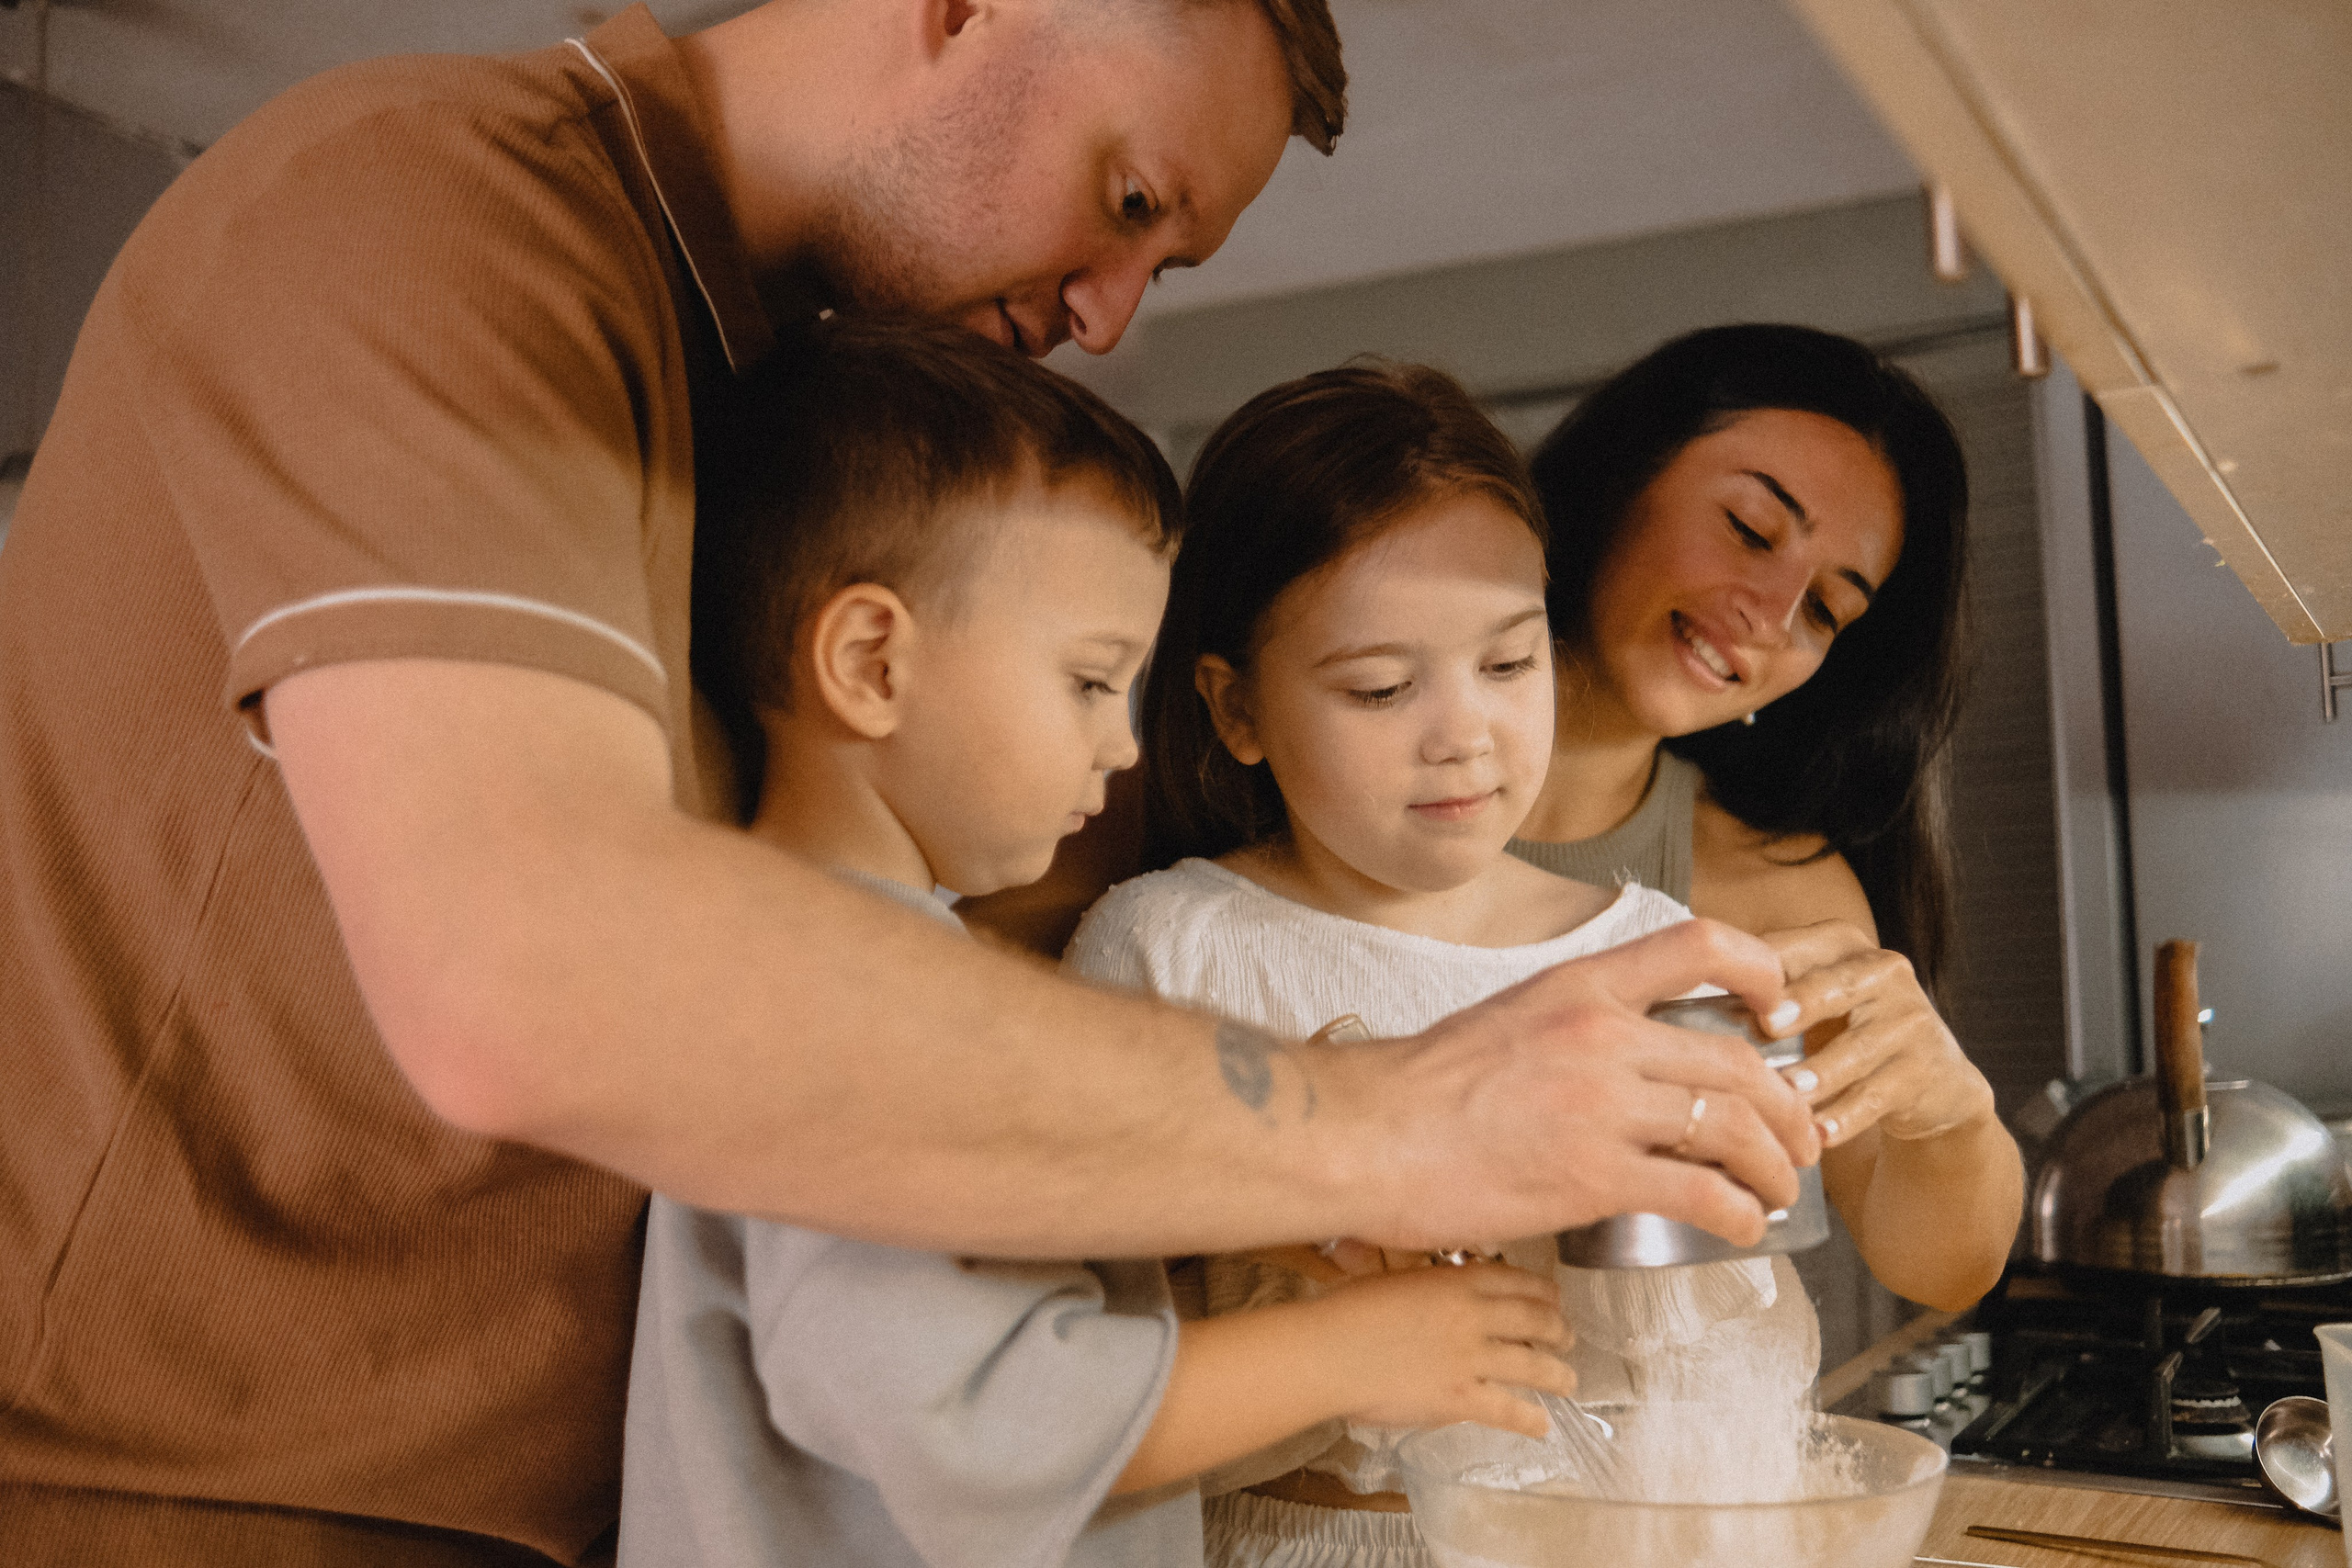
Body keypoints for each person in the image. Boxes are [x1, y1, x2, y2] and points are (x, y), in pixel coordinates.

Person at [0, 4, 1819, 1563]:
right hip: (181, 1495)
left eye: (1159, 265)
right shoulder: (425, 208)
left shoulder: (788, 410)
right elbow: (530, 978)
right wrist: (1399, 1107)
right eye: (1126, 198)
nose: (1110, 313)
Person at [620, 318, 1577, 1568]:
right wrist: (1363, 1348)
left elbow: (983, 1249)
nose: (1123, 746)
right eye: (1088, 679)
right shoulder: (841, 1002)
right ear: (871, 662)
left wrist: (1272, 1217)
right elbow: (984, 1417)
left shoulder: (866, 971)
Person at [1066, 364, 1819, 1568]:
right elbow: (1067, 1353)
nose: (1464, 729)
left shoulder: (1645, 947)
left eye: (1511, 664)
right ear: (1236, 708)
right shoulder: (1167, 945)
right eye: (1380, 685)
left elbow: (1735, 1344)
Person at [1507, 322, 2024, 1311]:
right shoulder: (1321, 781)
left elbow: (1939, 1266)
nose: (1773, 614)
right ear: (1620, 476)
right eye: (1750, 529)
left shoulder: (1776, 893)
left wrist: (1952, 1114)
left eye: (1829, 609)